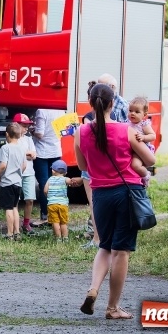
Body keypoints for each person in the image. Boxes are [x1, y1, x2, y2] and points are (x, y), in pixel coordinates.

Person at [75, 83, 155, 320]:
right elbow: (149, 159)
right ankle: (112, 308)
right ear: (113, 104)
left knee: (104, 246)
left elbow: (82, 166)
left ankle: (93, 288)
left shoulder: (82, 132)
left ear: (91, 104)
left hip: (100, 195)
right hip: (126, 193)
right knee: (121, 252)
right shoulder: (126, 131)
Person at [31, 108, 64, 225]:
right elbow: (62, 131)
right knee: (55, 184)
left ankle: (45, 216)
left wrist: (32, 131)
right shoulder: (61, 111)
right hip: (56, 151)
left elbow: (40, 133)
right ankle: (56, 216)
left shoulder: (41, 111)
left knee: (44, 185)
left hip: (42, 152)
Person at [0, 123, 24, 239]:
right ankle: (17, 232)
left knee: (8, 208)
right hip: (18, 182)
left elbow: (3, 165)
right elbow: (24, 165)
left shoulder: (5, 148)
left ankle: (10, 233)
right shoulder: (22, 148)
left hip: (8, 182)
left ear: (7, 134)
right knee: (15, 207)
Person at [81, 80, 100, 249]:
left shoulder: (88, 118)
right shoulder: (115, 119)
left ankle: (96, 238)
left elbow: (86, 142)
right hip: (107, 166)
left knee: (94, 205)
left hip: (90, 166)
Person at [12, 113, 37, 234]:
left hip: (29, 173)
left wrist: (26, 153)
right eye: (24, 125)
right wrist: (27, 153)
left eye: (28, 126)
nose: (26, 128)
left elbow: (34, 154)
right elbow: (14, 154)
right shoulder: (12, 139)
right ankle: (15, 224)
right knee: (15, 200)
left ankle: (26, 223)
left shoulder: (28, 139)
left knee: (30, 199)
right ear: (16, 125)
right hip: (16, 174)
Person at [44, 160, 74, 241]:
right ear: (66, 172)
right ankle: (65, 237)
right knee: (63, 222)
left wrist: (49, 197)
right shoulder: (65, 179)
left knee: (55, 222)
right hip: (63, 205)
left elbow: (45, 190)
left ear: (53, 171)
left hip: (52, 204)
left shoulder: (50, 179)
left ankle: (58, 238)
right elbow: (71, 182)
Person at [128, 96, 156, 182]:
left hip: (141, 151)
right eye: (130, 111)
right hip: (131, 150)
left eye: (137, 112)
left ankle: (146, 175)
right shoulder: (127, 123)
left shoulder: (143, 124)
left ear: (144, 114)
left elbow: (153, 136)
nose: (132, 113)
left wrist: (144, 137)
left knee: (135, 165)